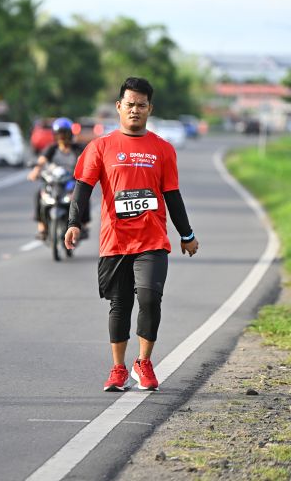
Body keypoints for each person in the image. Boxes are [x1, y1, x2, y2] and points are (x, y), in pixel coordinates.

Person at [64, 77, 199, 392]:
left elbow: (172, 195)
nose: (135, 110)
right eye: (130, 104)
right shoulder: (100, 147)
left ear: (150, 108)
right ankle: (118, 369)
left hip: (152, 240)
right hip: (115, 241)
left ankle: (144, 362)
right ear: (119, 107)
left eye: (141, 105)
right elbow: (82, 188)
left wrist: (187, 234)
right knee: (120, 303)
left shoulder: (162, 149)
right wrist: (73, 222)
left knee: (150, 298)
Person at [28, 117, 90, 240]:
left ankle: (83, 225)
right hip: (54, 182)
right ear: (55, 135)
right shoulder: (52, 148)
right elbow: (42, 161)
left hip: (71, 182)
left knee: (83, 196)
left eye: (65, 134)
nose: (62, 137)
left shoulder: (77, 149)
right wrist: (35, 171)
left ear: (70, 134)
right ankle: (42, 227)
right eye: (59, 134)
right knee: (39, 195)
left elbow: (84, 160)